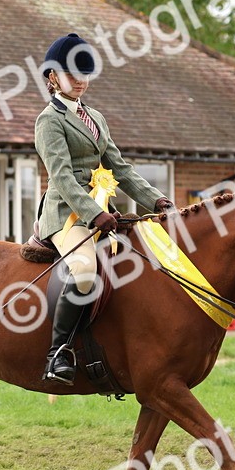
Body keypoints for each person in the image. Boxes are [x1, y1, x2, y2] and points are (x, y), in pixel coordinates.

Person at [35, 33, 174, 385]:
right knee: (84, 271)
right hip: (65, 215)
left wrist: (155, 200)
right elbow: (63, 177)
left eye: (85, 73)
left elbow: (120, 168)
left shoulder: (94, 116)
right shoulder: (49, 121)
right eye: (72, 74)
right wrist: (92, 214)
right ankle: (57, 354)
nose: (80, 81)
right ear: (52, 77)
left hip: (101, 211)